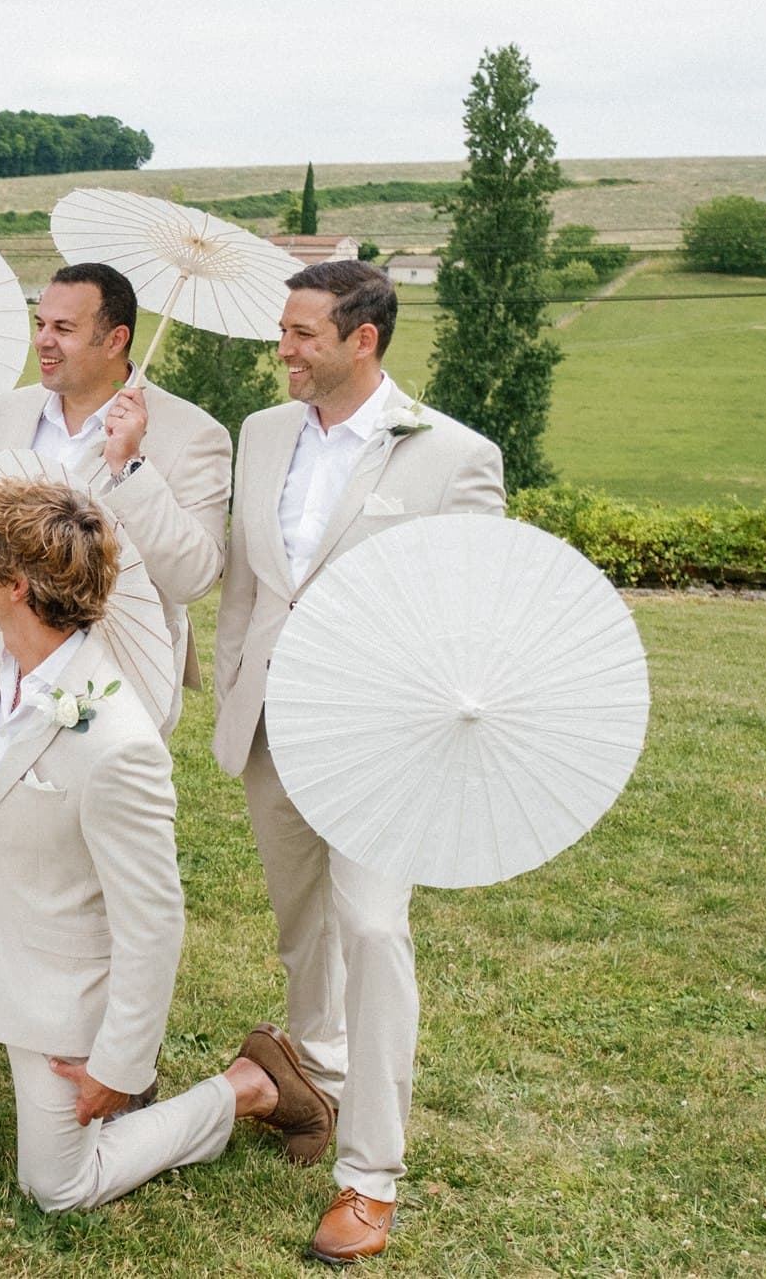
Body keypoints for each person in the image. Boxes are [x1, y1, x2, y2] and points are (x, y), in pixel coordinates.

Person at [0, 477, 329, 1214]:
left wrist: (120, 1061)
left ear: (16, 585)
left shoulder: (119, 744)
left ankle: (249, 1085)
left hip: (55, 974)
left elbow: (153, 921)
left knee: (57, 1186)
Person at [214, 260, 505, 1263]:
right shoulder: (260, 436)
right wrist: (231, 688)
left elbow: (470, 605)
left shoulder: (451, 456)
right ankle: (314, 1088)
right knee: (303, 934)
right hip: (267, 725)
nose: (282, 350)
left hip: (380, 739)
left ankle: (368, 1181)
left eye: (300, 334)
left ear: (360, 340)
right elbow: (248, 585)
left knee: (372, 931)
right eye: (282, 331)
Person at [0, 262, 230, 736]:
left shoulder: (194, 434)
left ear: (116, 339)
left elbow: (194, 577)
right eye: (40, 324)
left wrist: (132, 468)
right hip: (1, 672)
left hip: (116, 681)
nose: (43, 340)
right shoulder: (6, 413)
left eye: (63, 328)